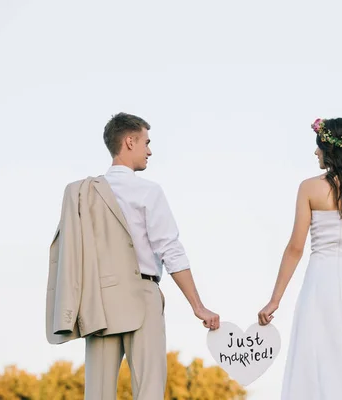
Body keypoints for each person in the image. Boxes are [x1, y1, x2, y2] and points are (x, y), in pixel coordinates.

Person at [46, 112, 219, 400]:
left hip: (97, 302)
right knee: (148, 390)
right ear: (129, 141)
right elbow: (170, 249)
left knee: (98, 394)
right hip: (142, 295)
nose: (149, 150)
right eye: (146, 143)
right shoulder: (147, 191)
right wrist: (198, 306)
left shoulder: (82, 194)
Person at [258, 117, 342, 399]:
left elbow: (296, 247)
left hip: (322, 284)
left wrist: (275, 299)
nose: (316, 153)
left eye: (318, 147)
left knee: (319, 365)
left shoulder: (309, 188)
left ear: (330, 149)